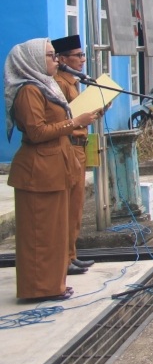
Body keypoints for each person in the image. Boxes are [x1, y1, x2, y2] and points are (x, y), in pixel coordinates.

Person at [6, 38, 99, 302]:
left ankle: (52, 284)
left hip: (56, 163)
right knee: (41, 232)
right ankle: (38, 288)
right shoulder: (28, 91)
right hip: (38, 168)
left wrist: (82, 118)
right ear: (33, 60)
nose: (55, 60)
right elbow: (36, 132)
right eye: (50, 56)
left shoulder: (44, 87)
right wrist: (74, 122)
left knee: (56, 230)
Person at [51, 35, 93, 269]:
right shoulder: (58, 83)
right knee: (68, 207)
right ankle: (65, 258)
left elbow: (80, 116)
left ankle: (71, 254)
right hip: (69, 146)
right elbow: (67, 119)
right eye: (77, 56)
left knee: (76, 207)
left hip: (80, 147)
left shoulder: (73, 82)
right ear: (62, 59)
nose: (82, 60)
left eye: (82, 54)